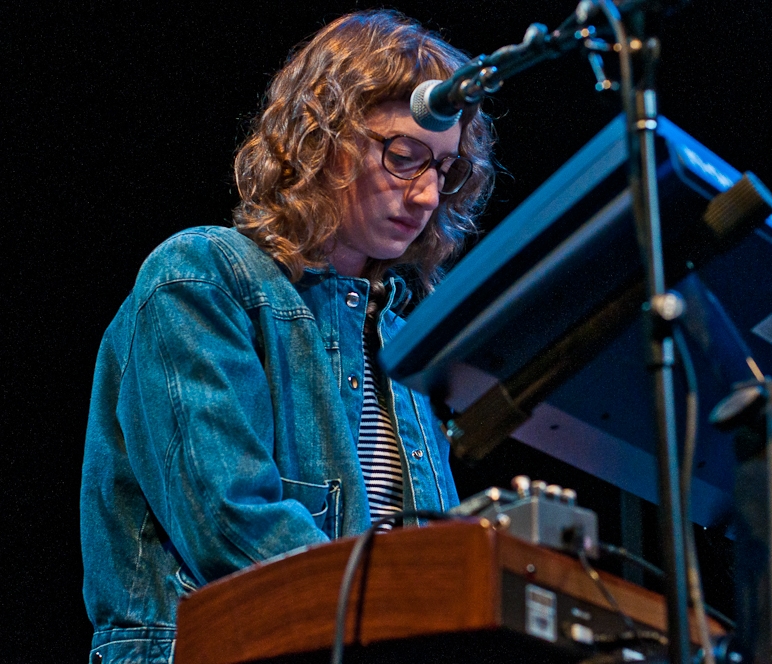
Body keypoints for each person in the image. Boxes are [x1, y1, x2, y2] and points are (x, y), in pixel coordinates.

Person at [80, 10, 495, 663]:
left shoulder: (403, 336)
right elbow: (231, 524)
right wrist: (414, 605)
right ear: (319, 137)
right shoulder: (202, 276)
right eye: (404, 155)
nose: (424, 195)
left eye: (443, 170)